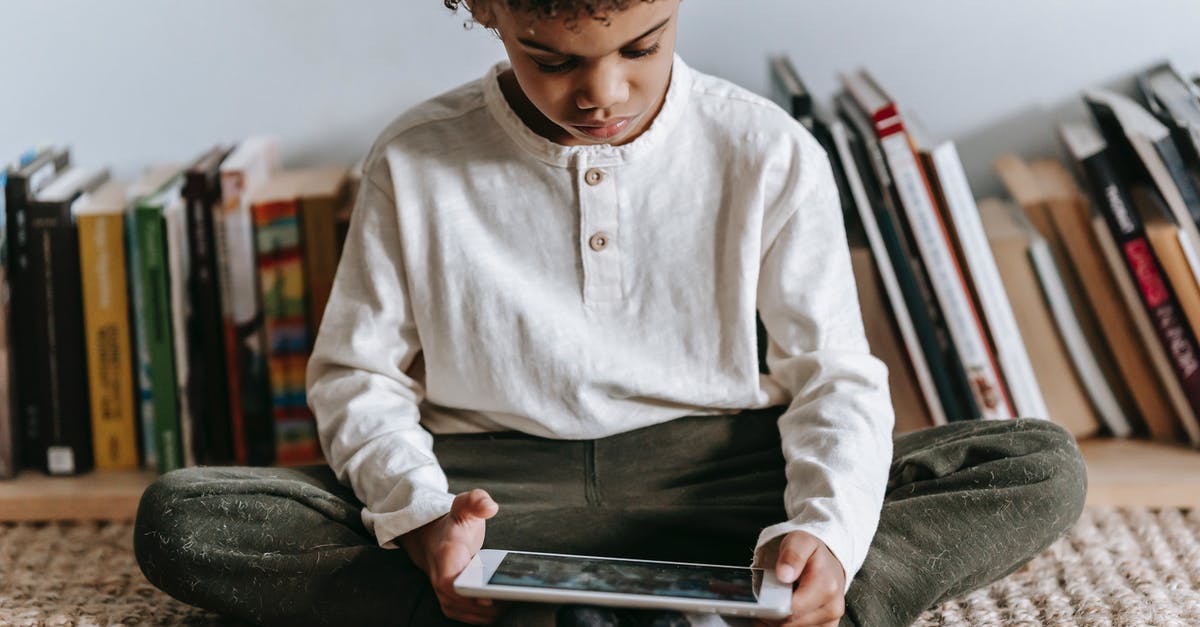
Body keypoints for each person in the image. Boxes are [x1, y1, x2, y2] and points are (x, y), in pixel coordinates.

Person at [134, 1, 1088, 626]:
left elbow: (832, 374)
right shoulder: (417, 159)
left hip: (717, 474)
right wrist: (424, 515)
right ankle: (581, 595)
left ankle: (786, 594)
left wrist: (827, 531)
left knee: (1037, 465)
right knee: (184, 518)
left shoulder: (768, 151)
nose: (602, 94)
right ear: (487, 12)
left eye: (642, 45)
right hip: (496, 486)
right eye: (549, 58)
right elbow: (357, 375)